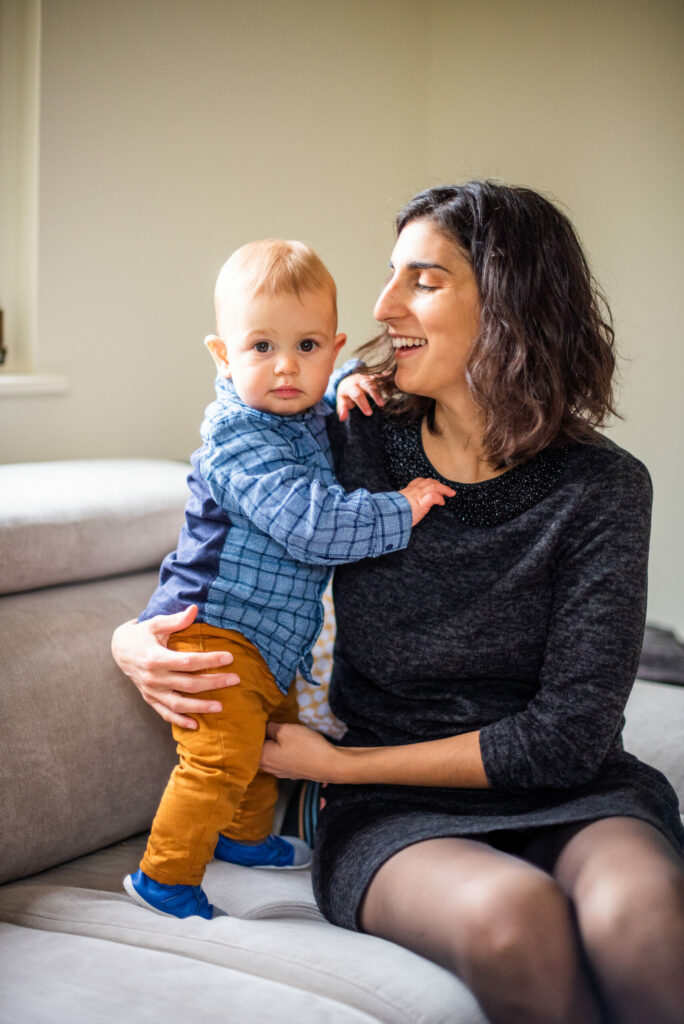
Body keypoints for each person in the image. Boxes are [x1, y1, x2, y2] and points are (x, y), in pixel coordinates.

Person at [112, 184, 684, 1023]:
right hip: (396, 814)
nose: (383, 305)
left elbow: (568, 737)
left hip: (575, 791)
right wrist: (133, 637)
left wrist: (338, 765)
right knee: (512, 921)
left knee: (643, 924)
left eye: (423, 279)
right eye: (390, 276)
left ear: (511, 304)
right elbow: (222, 516)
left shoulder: (604, 488)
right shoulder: (347, 435)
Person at [122, 238, 453, 920]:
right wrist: (403, 507)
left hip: (268, 639)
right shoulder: (236, 437)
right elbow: (311, 525)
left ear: (332, 348)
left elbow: (314, 390)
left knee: (262, 743)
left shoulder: (301, 408)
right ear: (223, 355)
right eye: (261, 348)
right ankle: (164, 875)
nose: (284, 369)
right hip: (209, 627)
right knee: (219, 758)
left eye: (307, 348)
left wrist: (346, 382)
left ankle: (243, 838)